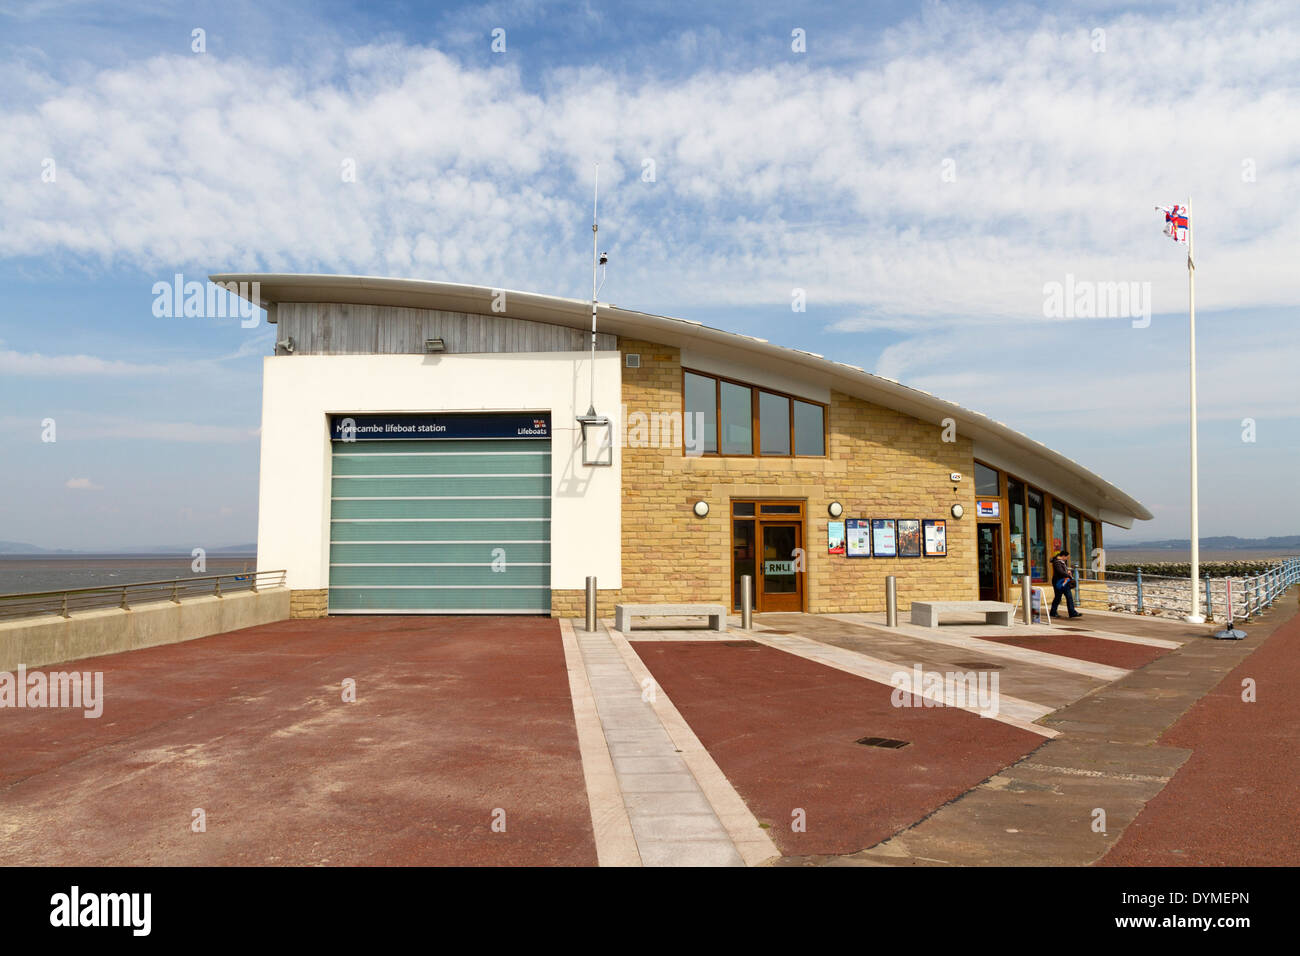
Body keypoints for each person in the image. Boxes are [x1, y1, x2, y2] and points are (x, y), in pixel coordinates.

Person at [1050, 549, 1082, 618]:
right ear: (1063, 556)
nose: (1067, 559)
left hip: (1064, 582)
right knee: (1058, 597)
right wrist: (1068, 574)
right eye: (1067, 557)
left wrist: (1067, 571)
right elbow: (1060, 572)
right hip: (1059, 582)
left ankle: (1072, 612)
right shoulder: (1057, 562)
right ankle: (1053, 612)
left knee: (1069, 597)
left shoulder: (1061, 562)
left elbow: (1063, 571)